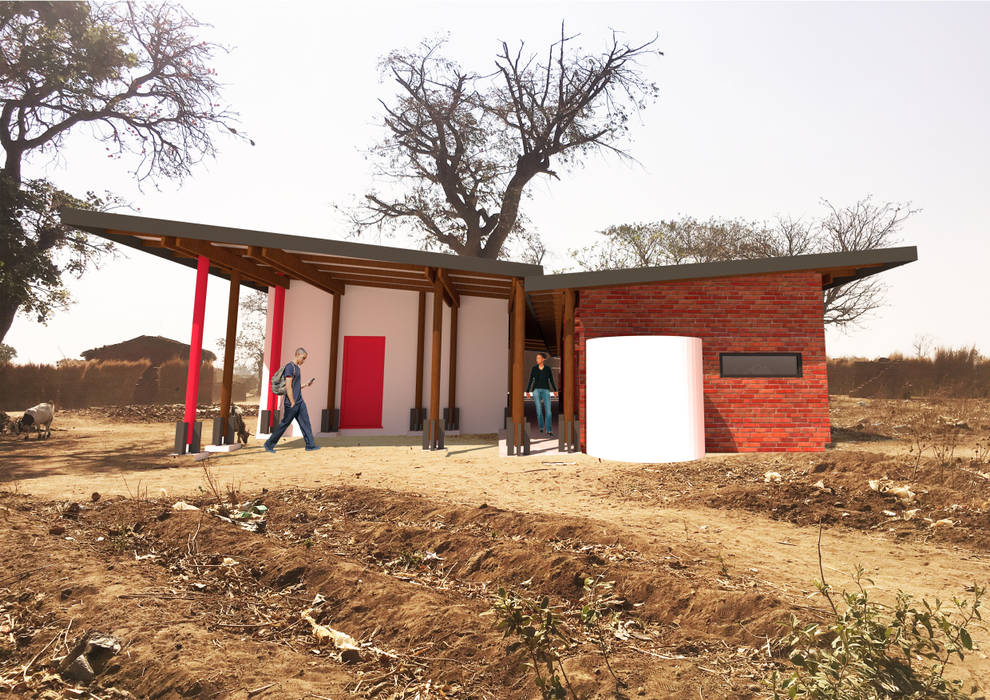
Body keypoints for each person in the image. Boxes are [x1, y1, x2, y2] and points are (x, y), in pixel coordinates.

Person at [264, 347, 320, 452]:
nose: (304, 361)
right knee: (284, 423)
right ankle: (269, 444)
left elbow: (295, 386)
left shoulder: (297, 368)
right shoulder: (290, 367)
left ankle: (310, 445)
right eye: (303, 358)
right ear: (298, 354)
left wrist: (306, 385)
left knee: (306, 423)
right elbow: (288, 386)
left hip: (300, 401)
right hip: (292, 403)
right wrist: (292, 401)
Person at [525, 352, 557, 436]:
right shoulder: (534, 368)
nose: (537, 360)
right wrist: (527, 391)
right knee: (539, 411)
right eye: (536, 358)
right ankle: (541, 427)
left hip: (546, 390)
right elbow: (531, 380)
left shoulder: (547, 369)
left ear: (543, 359)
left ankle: (549, 430)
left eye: (539, 358)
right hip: (536, 391)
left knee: (548, 412)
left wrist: (555, 390)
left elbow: (551, 380)